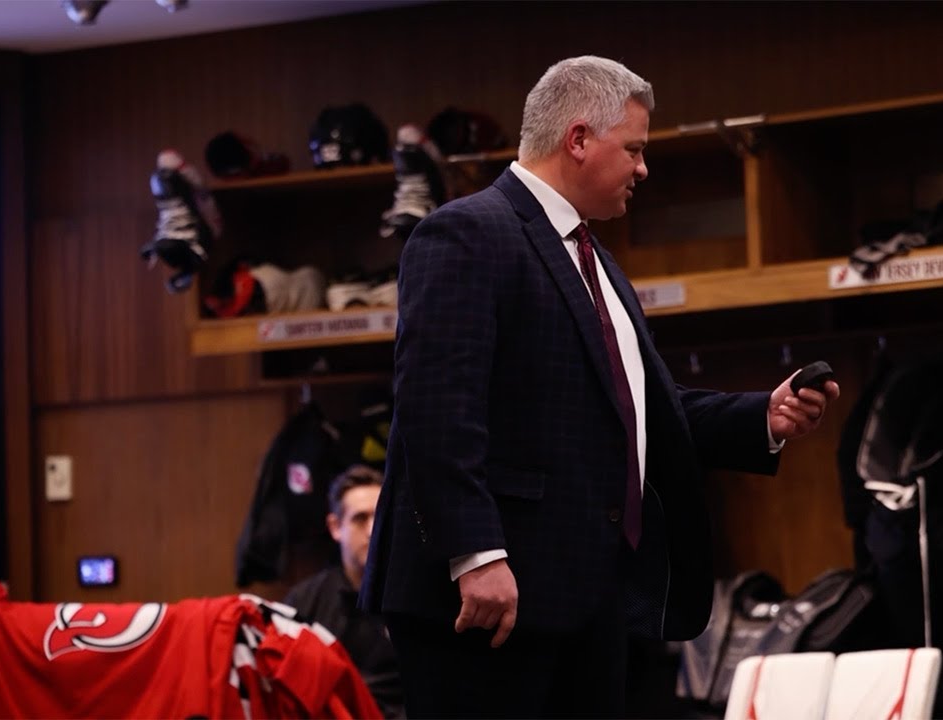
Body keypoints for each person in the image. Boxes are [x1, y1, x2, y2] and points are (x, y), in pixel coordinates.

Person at [358, 55, 840, 719]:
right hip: (488, 601)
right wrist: (475, 555)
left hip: (588, 600)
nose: (644, 168)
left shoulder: (595, 260)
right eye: (635, 149)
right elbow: (438, 410)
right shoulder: (466, 232)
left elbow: (636, 410)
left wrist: (765, 416)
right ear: (579, 139)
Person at [284, 464, 403, 718]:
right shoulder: (305, 602)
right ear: (336, 527)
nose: (373, 531)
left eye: (381, 518)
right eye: (360, 519)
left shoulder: (414, 596)